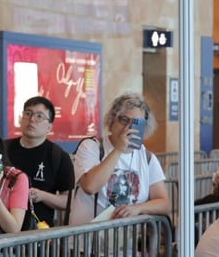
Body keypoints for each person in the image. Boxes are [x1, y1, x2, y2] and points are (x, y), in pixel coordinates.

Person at [68, 93, 170, 225]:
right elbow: (90, 187)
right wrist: (118, 149)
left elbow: (164, 203)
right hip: (88, 235)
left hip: (127, 236)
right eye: (124, 120)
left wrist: (138, 208)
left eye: (136, 123)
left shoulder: (147, 158)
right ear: (112, 120)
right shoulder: (92, 146)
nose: (129, 128)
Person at [5, 96, 74, 230]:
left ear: (49, 126)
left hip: (38, 232)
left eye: (39, 116)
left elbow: (69, 201)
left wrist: (42, 196)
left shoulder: (58, 156)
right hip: (2, 230)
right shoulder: (3, 149)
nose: (32, 119)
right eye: (28, 114)